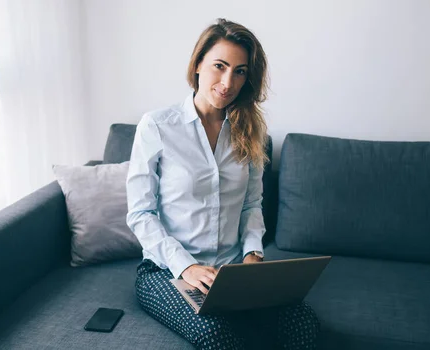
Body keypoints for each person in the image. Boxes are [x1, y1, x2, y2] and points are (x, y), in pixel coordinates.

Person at [126, 18, 320, 350]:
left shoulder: (252, 132)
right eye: (220, 66)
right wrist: (186, 266)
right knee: (216, 336)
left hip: (233, 274)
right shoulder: (157, 126)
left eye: (240, 71)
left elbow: (251, 205)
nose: (227, 82)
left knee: (303, 326)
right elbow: (141, 213)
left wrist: (253, 257)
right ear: (198, 63)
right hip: (167, 271)